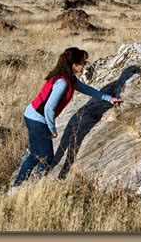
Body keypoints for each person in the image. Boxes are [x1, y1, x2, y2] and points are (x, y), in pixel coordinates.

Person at [8, 47, 123, 195]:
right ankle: (32, 189)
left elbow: (87, 90)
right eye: (83, 62)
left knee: (36, 154)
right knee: (46, 156)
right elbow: (49, 108)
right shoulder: (62, 82)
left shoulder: (68, 78)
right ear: (74, 64)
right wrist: (52, 128)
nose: (85, 65)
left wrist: (109, 98)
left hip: (31, 114)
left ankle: (17, 187)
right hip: (38, 119)